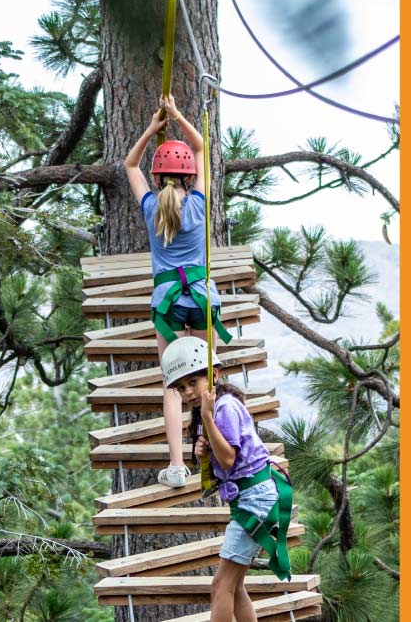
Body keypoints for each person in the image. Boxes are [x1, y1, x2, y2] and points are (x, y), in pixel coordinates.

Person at [124, 94, 231, 488]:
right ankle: (212, 446)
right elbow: (201, 146)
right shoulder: (199, 204)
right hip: (202, 300)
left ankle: (175, 466)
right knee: (206, 378)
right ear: (188, 176)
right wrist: (178, 116)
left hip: (167, 305)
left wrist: (153, 127)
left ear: (157, 177)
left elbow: (129, 164)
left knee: (172, 384)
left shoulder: (152, 206)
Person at [160, 336, 292, 622]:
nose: (189, 393)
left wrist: (207, 419)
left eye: (194, 383)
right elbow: (222, 460)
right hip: (252, 496)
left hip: (255, 498)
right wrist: (203, 450)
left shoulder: (224, 408)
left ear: (214, 375)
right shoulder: (215, 409)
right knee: (234, 585)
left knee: (220, 585)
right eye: (182, 388)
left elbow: (230, 459)